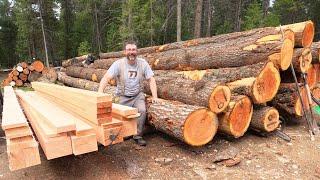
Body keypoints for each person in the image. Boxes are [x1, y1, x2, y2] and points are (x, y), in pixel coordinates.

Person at [98, 40, 159, 146]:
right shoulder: (118, 64)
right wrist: (99, 93)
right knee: (116, 113)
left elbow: (151, 79)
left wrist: (155, 96)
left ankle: (138, 135)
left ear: (137, 51)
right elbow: (106, 78)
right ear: (125, 52)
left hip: (137, 95)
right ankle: (118, 134)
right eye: (129, 50)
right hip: (122, 95)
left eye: (133, 50)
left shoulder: (143, 63)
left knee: (142, 111)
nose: (132, 52)